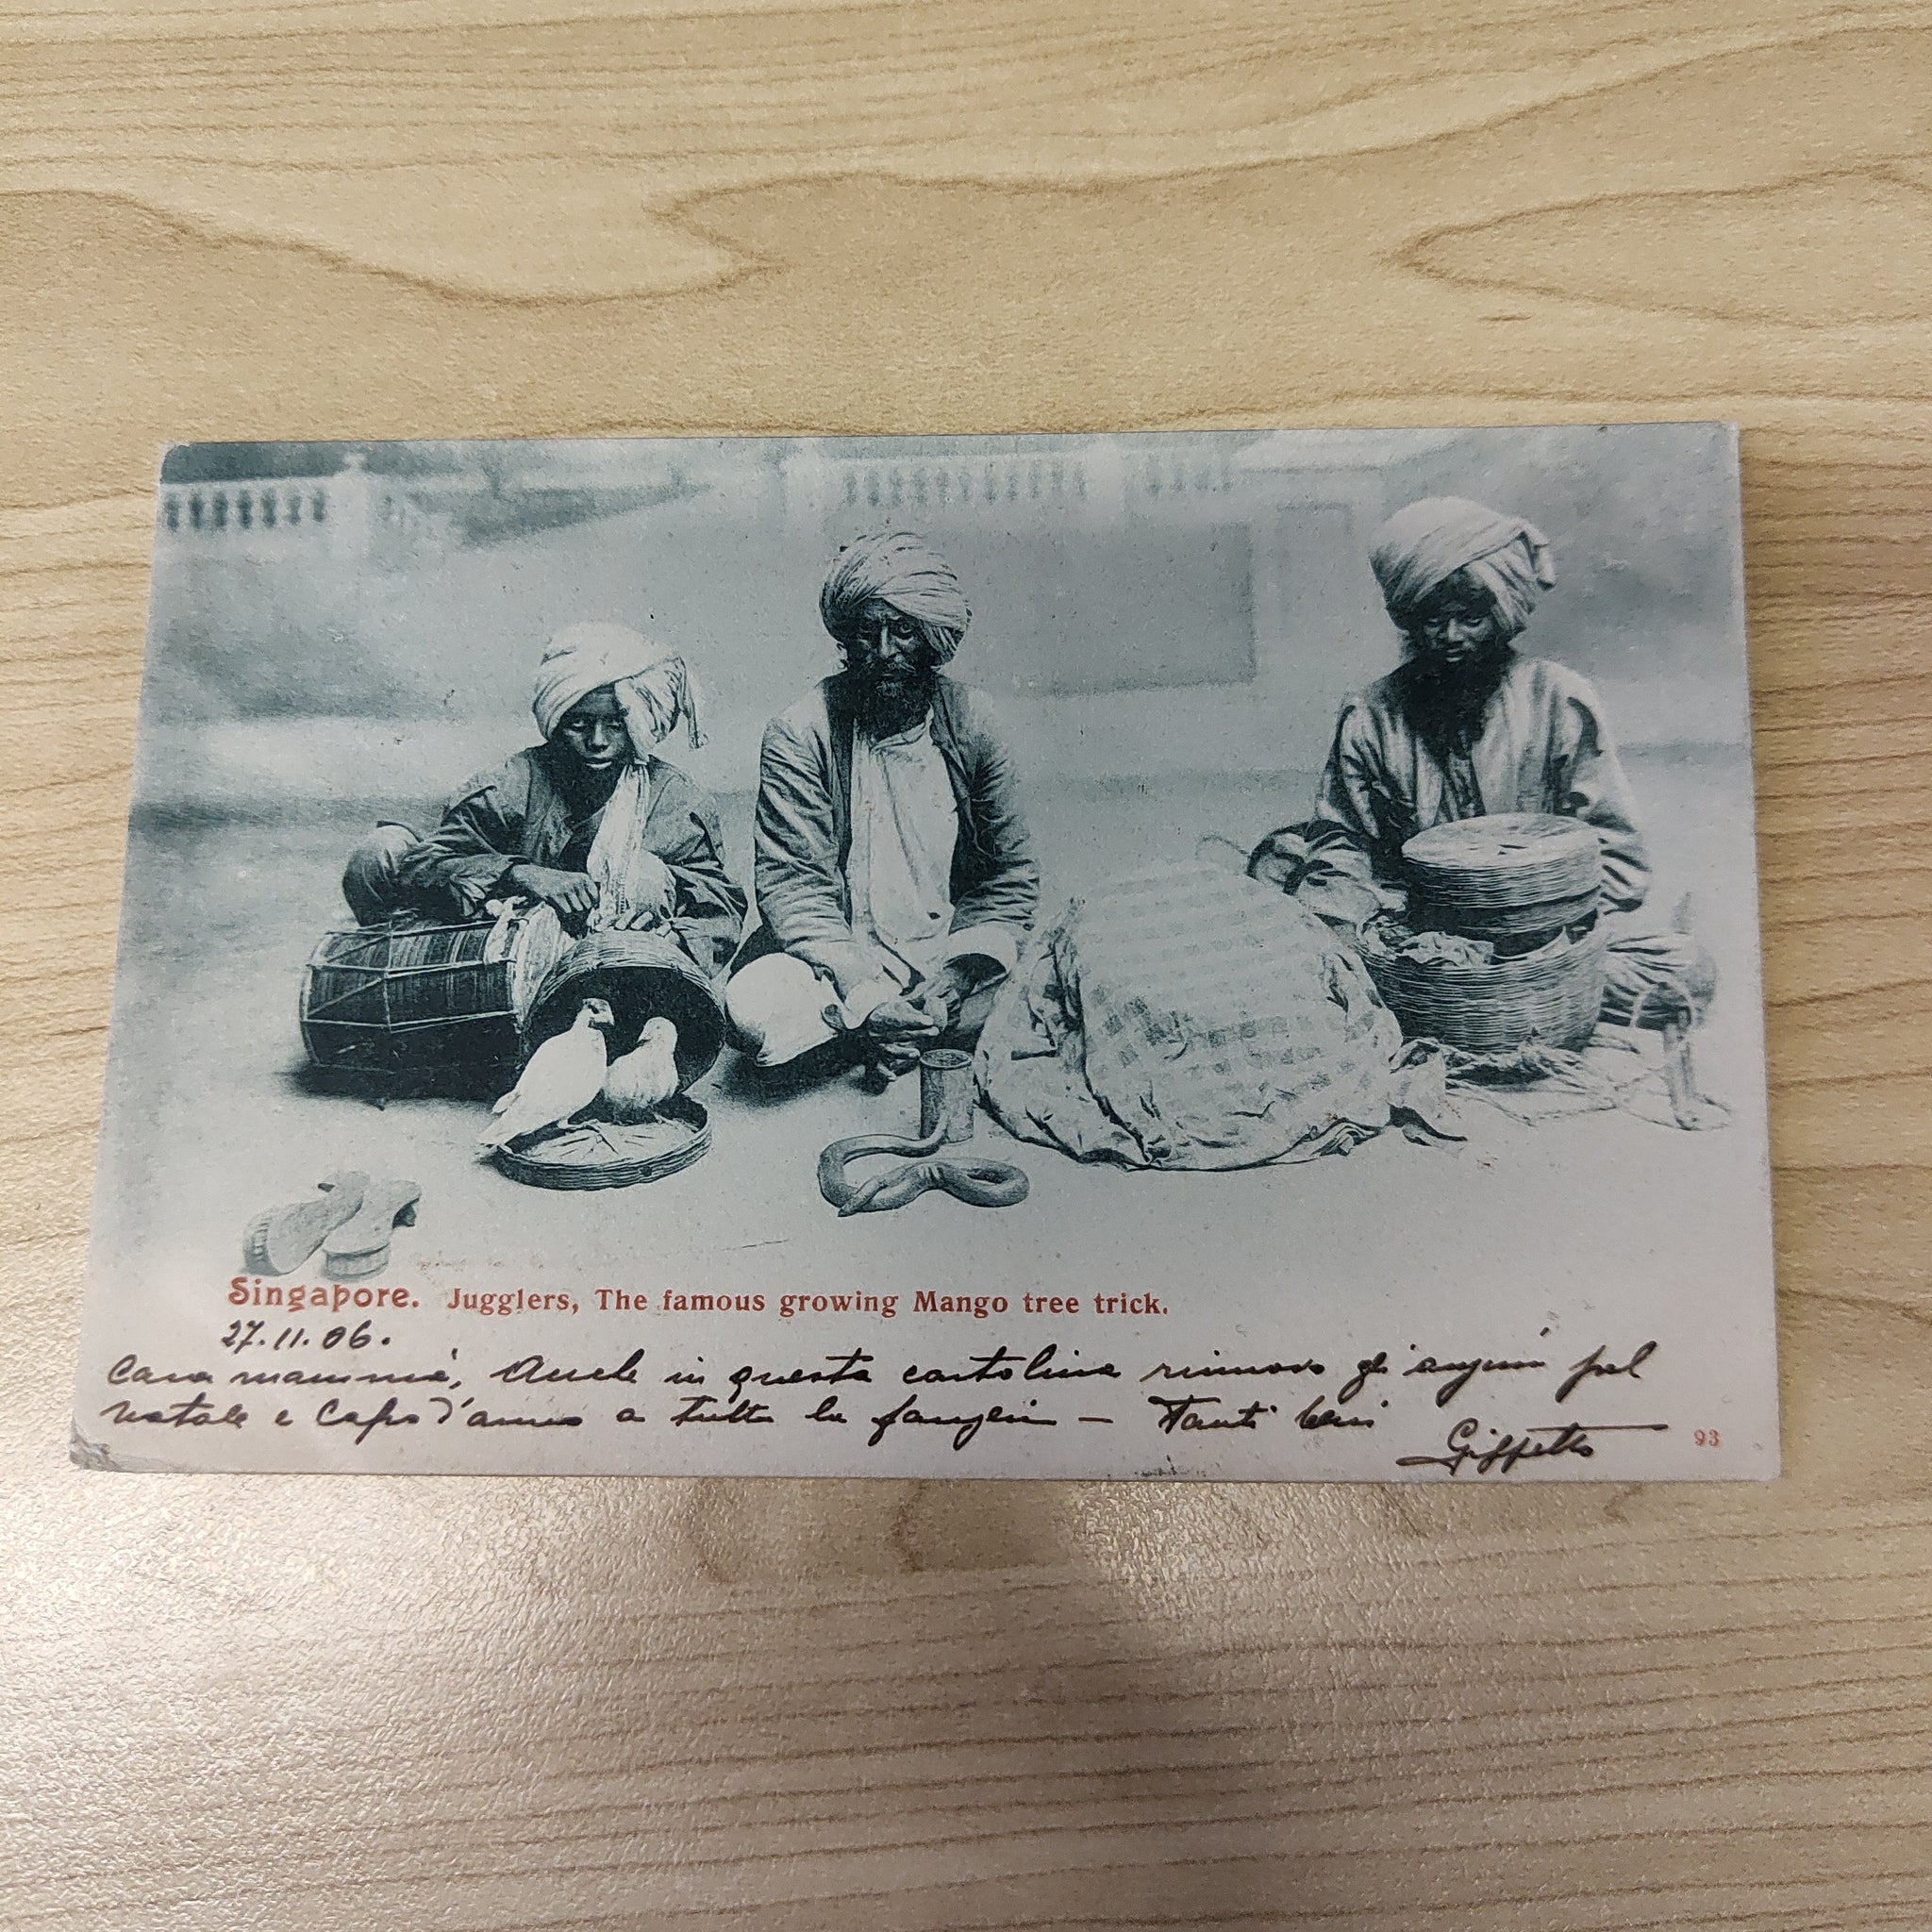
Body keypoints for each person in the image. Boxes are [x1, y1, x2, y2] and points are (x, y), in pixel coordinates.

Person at [724, 531, 1039, 1080]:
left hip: (948, 957)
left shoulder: (976, 723)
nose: (886, 654)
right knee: (751, 1007)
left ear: (934, 642)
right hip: (835, 962)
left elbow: (1008, 878)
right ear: (846, 642)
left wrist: (959, 975)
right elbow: (794, 887)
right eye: (867, 635)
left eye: (905, 632)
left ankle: (883, 1034)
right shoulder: (801, 732)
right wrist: (865, 993)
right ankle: (881, 1028)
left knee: (1047, 984)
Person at [340, 624, 747, 974]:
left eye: (617, 724)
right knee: (381, 852)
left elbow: (719, 905)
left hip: (612, 959)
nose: (598, 742)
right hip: (493, 947)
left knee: (643, 875)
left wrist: (671, 934)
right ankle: (402, 990)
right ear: (555, 722)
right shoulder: (513, 782)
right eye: (579, 724)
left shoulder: (676, 800)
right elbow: (428, 863)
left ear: (641, 723)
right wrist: (523, 874)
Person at [1308, 494, 1650, 912]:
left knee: (1676, 965)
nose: (1450, 636)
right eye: (1433, 619)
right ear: (1411, 620)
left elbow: (1616, 855)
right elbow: (1342, 843)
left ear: (1502, 616)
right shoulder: (1370, 717)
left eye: (1470, 618)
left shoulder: (1559, 699)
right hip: (1412, 924)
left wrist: (1537, 920)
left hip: (1543, 921)